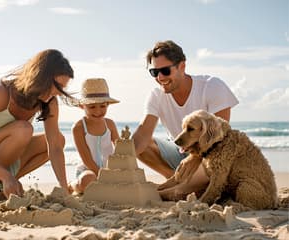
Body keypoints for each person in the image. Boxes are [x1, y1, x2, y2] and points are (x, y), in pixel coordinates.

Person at [0, 49, 75, 202]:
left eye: (62, 89)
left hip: (2, 160)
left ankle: (1, 184)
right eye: (57, 86)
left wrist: (64, 189)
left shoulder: (49, 101)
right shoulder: (2, 92)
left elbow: (53, 145)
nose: (58, 93)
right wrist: (6, 175)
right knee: (23, 130)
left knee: (58, 140)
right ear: (40, 76)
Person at [132, 40, 239, 199]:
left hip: (210, 155)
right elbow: (143, 133)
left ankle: (179, 189)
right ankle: (177, 180)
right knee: (138, 144)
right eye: (154, 72)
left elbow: (219, 136)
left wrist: (195, 156)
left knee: (216, 156)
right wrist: (116, 163)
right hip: (179, 153)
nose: (160, 77)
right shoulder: (156, 95)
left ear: (182, 66)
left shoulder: (212, 86)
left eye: (165, 71)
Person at [70, 78, 120, 194]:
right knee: (87, 181)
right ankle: (72, 186)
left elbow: (120, 150)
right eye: (92, 107)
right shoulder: (78, 127)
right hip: (88, 170)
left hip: (110, 170)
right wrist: (102, 176)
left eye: (102, 106)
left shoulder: (110, 124)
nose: (98, 111)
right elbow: (86, 159)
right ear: (82, 106)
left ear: (108, 104)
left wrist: (116, 172)